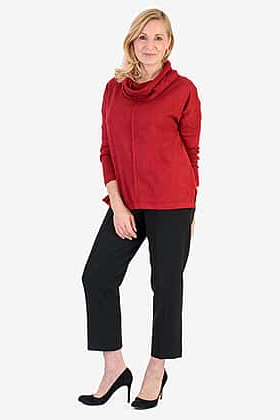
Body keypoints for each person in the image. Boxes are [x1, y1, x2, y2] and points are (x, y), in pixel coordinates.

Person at [78, 8, 202, 410]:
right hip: (127, 202)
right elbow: (107, 151)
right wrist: (117, 204)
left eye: (158, 38)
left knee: (166, 286)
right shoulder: (113, 90)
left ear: (169, 44)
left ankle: (156, 368)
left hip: (172, 203)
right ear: (132, 42)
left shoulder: (183, 90)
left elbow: (191, 153)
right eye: (143, 37)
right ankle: (114, 368)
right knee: (97, 276)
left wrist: (190, 210)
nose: (150, 45)